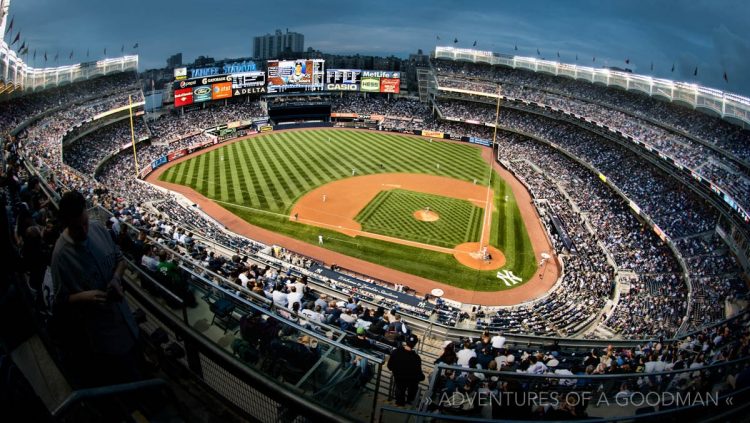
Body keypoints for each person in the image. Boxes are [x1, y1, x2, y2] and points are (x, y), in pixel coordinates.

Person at [49, 190, 139, 387]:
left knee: (137, 362)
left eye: (85, 223)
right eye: (77, 227)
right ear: (65, 223)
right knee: (124, 379)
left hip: (126, 319)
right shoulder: (60, 256)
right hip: (101, 336)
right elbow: (59, 303)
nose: (83, 230)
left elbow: (120, 260)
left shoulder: (97, 228)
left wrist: (116, 278)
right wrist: (84, 296)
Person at [387, 334, 424, 407]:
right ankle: (410, 399)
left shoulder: (396, 351)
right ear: (415, 344)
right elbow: (419, 373)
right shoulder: (416, 358)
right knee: (414, 382)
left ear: (406, 341)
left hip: (398, 377)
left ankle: (400, 402)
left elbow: (389, 366)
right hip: (409, 380)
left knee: (400, 386)